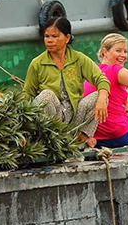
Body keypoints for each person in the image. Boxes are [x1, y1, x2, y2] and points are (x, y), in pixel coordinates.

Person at [23, 16, 110, 148]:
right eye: (47, 36)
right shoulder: (37, 63)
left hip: (74, 117)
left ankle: (80, 136)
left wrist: (102, 98)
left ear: (67, 38)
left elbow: (101, 79)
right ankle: (51, 140)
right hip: (52, 118)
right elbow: (27, 95)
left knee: (101, 96)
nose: (50, 40)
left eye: (55, 36)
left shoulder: (78, 59)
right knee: (47, 95)